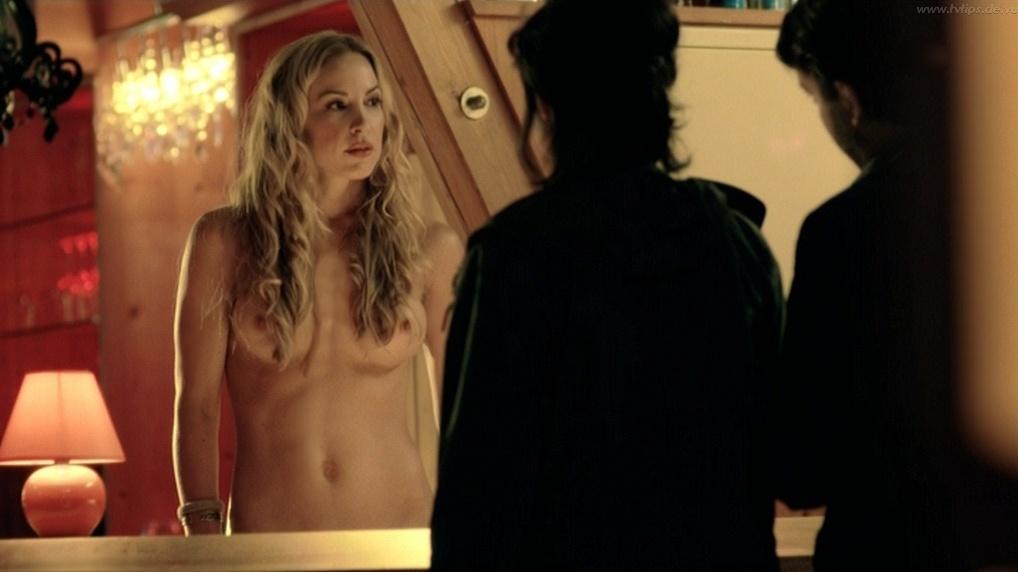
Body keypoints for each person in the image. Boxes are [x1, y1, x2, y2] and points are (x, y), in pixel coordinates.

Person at [430, 0, 783, 569]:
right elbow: (774, 453)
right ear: (658, 96)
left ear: (547, 107)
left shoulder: (512, 255)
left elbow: (479, 492)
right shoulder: (737, 243)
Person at [172, 31, 463, 535]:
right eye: (336, 105)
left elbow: (464, 410)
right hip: (270, 544)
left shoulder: (429, 249)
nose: (361, 123)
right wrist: (202, 533)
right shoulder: (224, 241)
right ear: (291, 123)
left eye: (373, 102)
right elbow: (196, 406)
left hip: (400, 536)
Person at [773, 1, 963, 569]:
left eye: (815, 98)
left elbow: (802, 462)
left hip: (880, 547)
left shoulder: (840, 231)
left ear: (848, 99)